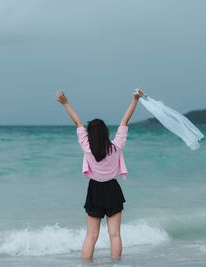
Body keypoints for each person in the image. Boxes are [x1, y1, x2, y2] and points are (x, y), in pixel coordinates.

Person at [55, 88, 145, 261]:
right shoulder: (116, 145)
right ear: (106, 133)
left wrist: (66, 104)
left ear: (90, 135)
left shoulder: (86, 146)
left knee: (91, 236)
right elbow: (125, 121)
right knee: (115, 235)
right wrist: (135, 99)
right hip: (112, 189)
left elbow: (78, 123)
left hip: (95, 189)